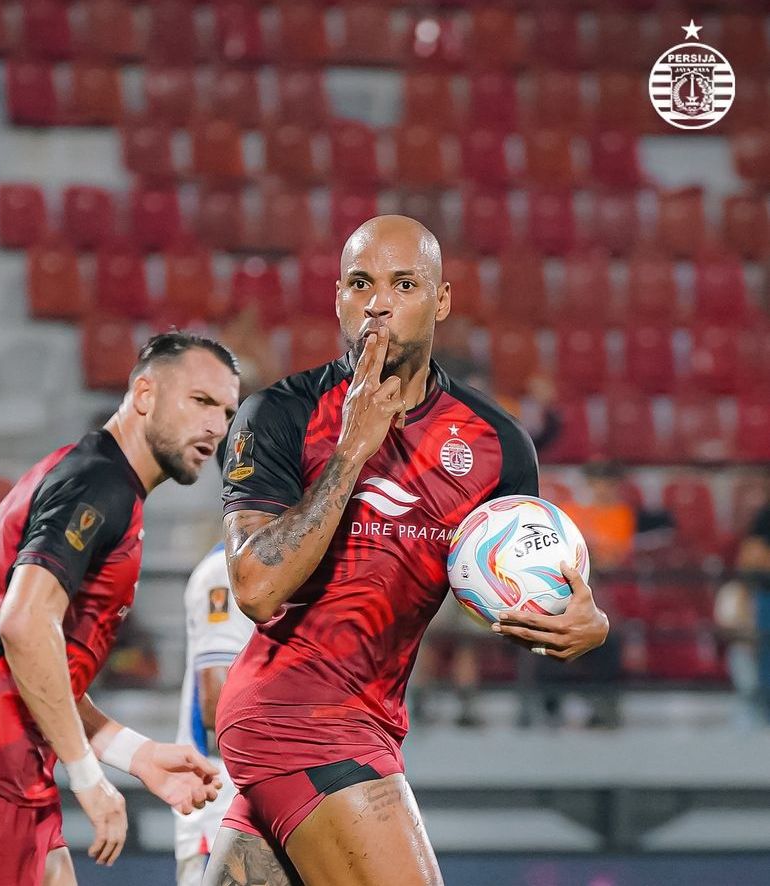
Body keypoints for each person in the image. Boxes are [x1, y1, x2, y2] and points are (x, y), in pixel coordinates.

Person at [203, 216, 611, 886]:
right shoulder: (279, 415)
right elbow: (255, 586)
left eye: (404, 283)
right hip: (300, 719)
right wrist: (351, 451)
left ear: (441, 300)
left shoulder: (497, 447)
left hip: (370, 716)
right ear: (338, 296)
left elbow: (510, 596)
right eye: (361, 282)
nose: (379, 301)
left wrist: (579, 626)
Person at [0, 332, 240, 886]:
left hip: (4, 769)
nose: (217, 426)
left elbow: (42, 669)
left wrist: (137, 754)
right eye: (200, 401)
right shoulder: (99, 484)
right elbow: (24, 624)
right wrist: (87, 775)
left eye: (226, 411)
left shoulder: (95, 479)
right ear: (144, 393)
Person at [174, 540, 255, 886]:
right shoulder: (226, 569)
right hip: (222, 799)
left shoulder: (283, 565)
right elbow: (216, 704)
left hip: (265, 798)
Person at [715, 491, 770, 727]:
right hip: (748, 645)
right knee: (745, 655)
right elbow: (726, 627)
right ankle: (754, 711)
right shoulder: (734, 591)